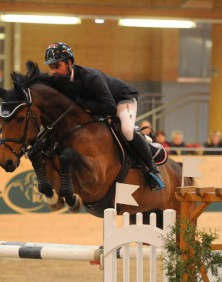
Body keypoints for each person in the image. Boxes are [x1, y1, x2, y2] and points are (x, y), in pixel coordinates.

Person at [44, 42, 164, 191]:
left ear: (69, 63)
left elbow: (109, 107)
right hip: (99, 107)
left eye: (57, 66)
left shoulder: (90, 77)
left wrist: (79, 102)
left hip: (121, 100)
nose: (53, 71)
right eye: (51, 67)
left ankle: (153, 169)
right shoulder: (59, 83)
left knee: (126, 129)